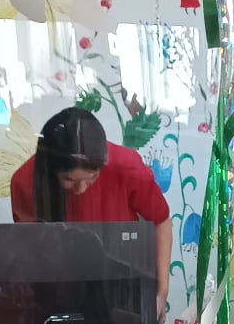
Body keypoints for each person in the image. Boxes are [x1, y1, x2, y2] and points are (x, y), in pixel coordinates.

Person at [10, 106, 172, 312]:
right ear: (50, 170)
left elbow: (161, 221)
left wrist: (161, 291)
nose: (81, 189)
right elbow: (32, 250)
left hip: (117, 281)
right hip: (59, 286)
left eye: (92, 178)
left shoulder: (126, 167)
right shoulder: (24, 181)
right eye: (69, 180)